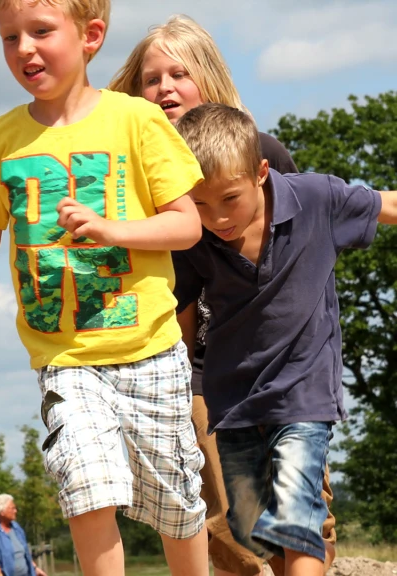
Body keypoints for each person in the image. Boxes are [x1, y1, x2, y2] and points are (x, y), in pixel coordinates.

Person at [0, 1, 210, 574]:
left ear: (91, 35)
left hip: (150, 352)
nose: (24, 48)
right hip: (65, 359)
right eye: (9, 37)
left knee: (176, 506)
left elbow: (186, 223)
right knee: (87, 488)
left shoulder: (134, 120)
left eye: (41, 32)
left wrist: (111, 229)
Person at [106, 15, 336, 576]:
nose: (163, 88)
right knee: (231, 526)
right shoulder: (139, 183)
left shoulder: (261, 154)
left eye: (178, 74)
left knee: (302, 518)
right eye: (150, 78)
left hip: (283, 372)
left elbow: (301, 253)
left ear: (208, 80)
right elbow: (171, 296)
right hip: (203, 375)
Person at [171, 102, 397, 576]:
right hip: (233, 399)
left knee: (298, 515)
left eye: (229, 199)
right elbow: (181, 314)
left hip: (304, 391)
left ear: (260, 172)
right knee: (253, 529)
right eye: (200, 204)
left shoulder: (315, 198)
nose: (217, 218)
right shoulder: (194, 237)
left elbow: (386, 204)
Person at [0, 495, 47, 576]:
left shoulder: (16, 528)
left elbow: (25, 553)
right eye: (12, 508)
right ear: (2, 511)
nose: (15, 511)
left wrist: (35, 568)